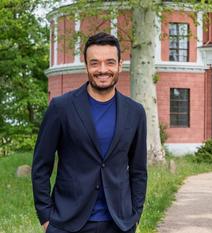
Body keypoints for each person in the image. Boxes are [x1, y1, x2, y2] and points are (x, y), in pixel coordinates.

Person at [32, 32, 147, 233]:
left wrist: (135, 215)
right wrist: (46, 217)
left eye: (110, 62)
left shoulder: (135, 112)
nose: (102, 70)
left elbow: (138, 170)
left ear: (120, 64)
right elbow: (41, 165)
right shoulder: (61, 108)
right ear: (86, 66)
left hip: (119, 223)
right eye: (95, 63)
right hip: (67, 223)